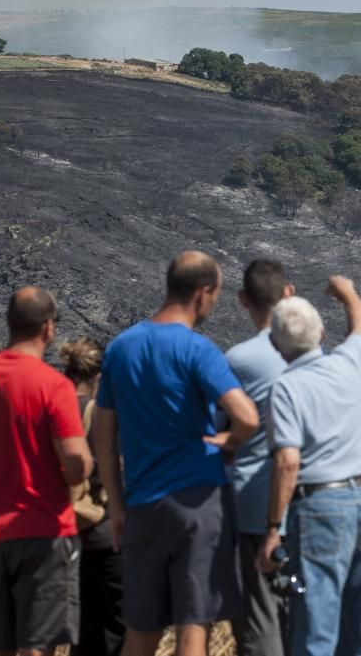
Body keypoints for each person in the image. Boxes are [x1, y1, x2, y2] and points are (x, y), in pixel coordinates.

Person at [93, 250, 259, 656]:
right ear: (202, 294)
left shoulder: (121, 348)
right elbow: (248, 417)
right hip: (198, 502)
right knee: (192, 627)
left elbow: (102, 436)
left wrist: (116, 506)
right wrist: (229, 444)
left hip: (143, 503)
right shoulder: (198, 350)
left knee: (141, 630)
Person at [0, 287, 93, 656]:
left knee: (0, 644)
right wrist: (83, 466)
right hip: (42, 529)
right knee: (36, 644)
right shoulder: (54, 386)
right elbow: (76, 465)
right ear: (48, 328)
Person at [256, 277, 361, 656]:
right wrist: (347, 291)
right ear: (323, 334)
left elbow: (287, 460)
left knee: (318, 630)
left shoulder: (285, 388)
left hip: (321, 509)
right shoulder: (348, 363)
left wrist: (272, 529)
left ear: (275, 344)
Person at [224, 260, 295, 656]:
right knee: (301, 607)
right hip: (308, 504)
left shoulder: (237, 361)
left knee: (260, 615)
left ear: (242, 300)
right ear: (289, 292)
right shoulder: (317, 358)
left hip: (252, 505)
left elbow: (222, 431)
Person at [60, 337, 124, 656]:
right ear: (100, 377)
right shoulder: (99, 412)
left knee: (82, 634)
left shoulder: (49, 408)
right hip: (103, 527)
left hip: (60, 535)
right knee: (118, 629)